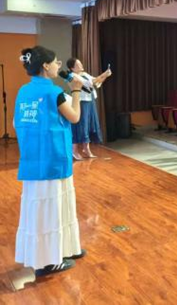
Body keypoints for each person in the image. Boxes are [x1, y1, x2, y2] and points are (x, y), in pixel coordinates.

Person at [14, 46, 85, 277]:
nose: (58, 65)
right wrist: (76, 91)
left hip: (33, 159)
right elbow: (75, 117)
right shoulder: (55, 92)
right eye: (56, 62)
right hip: (54, 159)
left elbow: (17, 123)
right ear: (45, 66)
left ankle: (64, 249)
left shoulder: (23, 91)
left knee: (43, 209)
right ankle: (49, 262)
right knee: (54, 209)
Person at [66, 58, 112, 160]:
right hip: (80, 101)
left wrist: (105, 76)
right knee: (80, 125)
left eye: (80, 63)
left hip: (90, 100)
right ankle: (74, 150)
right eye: (78, 64)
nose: (81, 65)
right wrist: (104, 74)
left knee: (89, 124)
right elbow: (89, 83)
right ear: (72, 68)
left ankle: (86, 149)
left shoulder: (84, 74)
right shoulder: (72, 76)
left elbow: (96, 82)